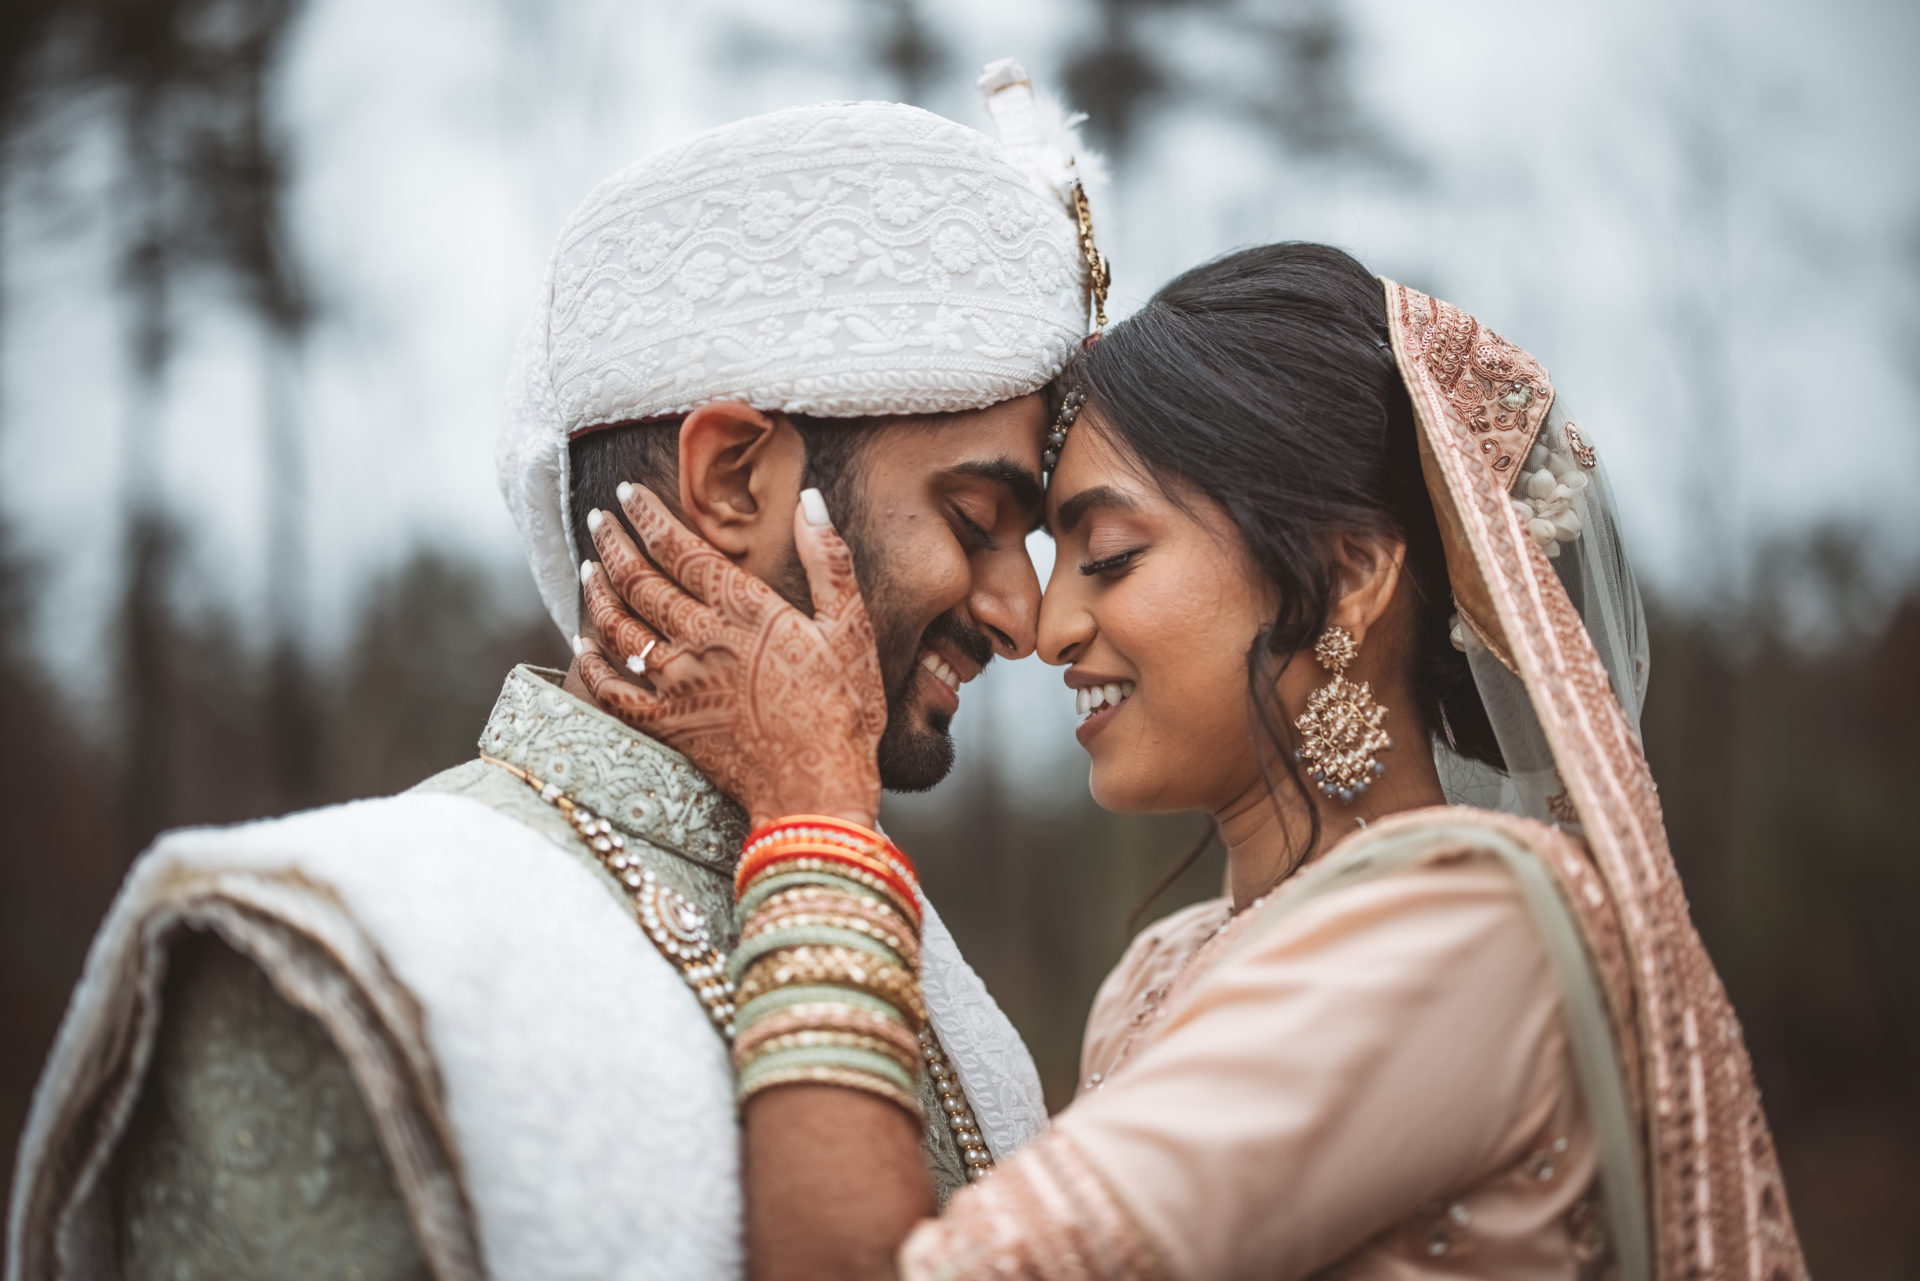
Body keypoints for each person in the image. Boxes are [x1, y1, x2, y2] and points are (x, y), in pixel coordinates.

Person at [6, 62, 1105, 1281]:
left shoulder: (965, 1016)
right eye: (974, 518)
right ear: (735, 480)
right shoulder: (335, 952)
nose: (1024, 614)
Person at [579, 242, 1808, 1280]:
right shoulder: (1156, 971)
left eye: (1106, 556)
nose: (1050, 629)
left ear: (1345, 574)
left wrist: (816, 817)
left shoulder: (1463, 932)